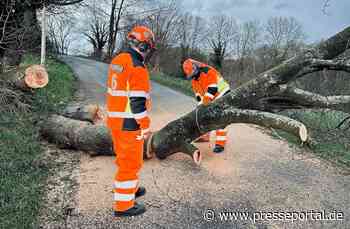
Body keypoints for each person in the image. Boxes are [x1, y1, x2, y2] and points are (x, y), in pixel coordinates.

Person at [106, 25, 155, 217]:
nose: (149, 52)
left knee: (123, 158)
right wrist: (145, 125)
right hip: (129, 124)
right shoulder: (137, 67)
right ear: (143, 46)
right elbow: (137, 103)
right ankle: (124, 206)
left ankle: (131, 189)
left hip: (116, 121)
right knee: (130, 164)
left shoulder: (118, 60)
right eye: (149, 47)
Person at [183, 58, 231, 153]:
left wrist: (205, 101)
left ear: (195, 68)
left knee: (219, 118)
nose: (192, 76)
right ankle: (205, 136)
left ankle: (220, 144)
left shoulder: (208, 71)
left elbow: (212, 88)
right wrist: (200, 105)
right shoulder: (194, 79)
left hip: (222, 93)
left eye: (192, 74)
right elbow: (198, 94)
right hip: (211, 96)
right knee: (204, 115)